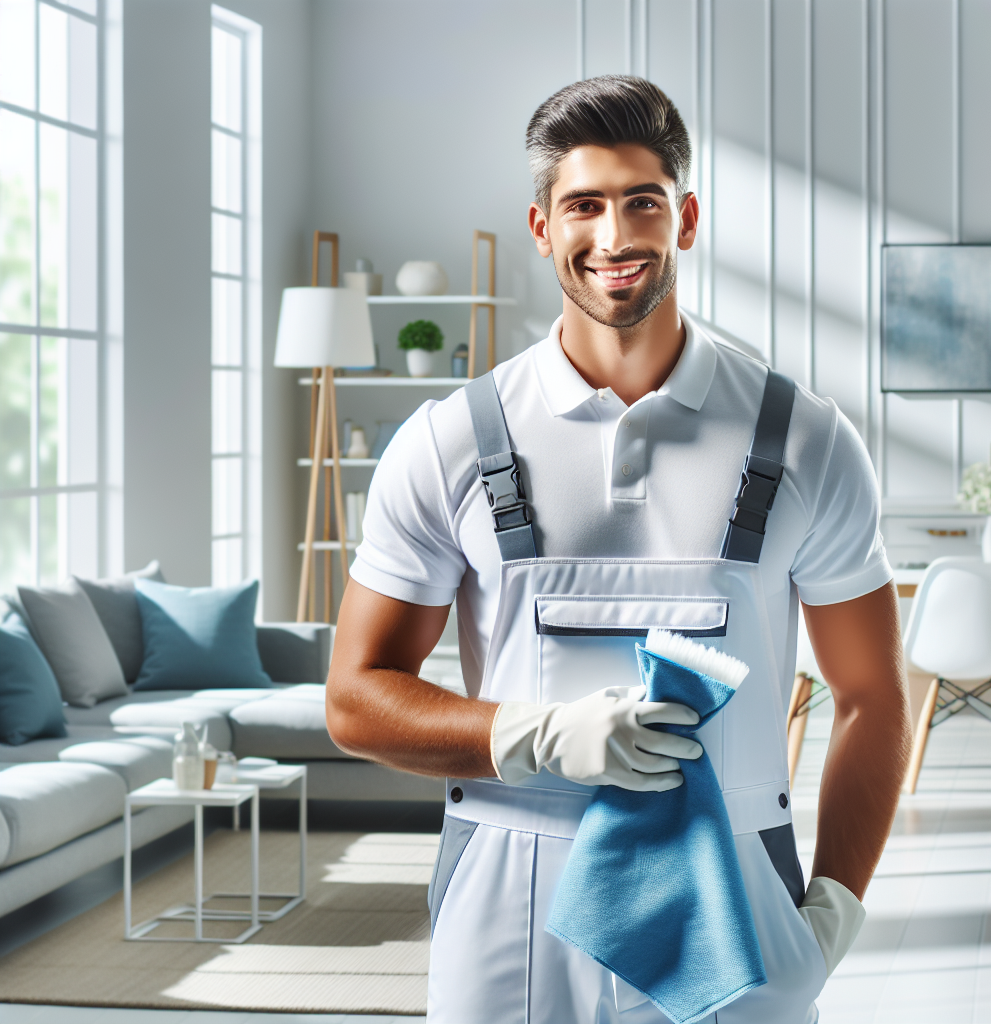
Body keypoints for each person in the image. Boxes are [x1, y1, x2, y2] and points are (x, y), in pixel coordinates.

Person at [326, 75, 911, 1024]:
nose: (614, 237)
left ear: (684, 218)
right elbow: (355, 698)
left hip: (736, 890)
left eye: (641, 202)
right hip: (509, 898)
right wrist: (532, 733)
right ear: (541, 226)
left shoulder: (805, 441)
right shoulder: (451, 442)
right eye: (583, 206)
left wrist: (836, 900)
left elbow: (873, 696)